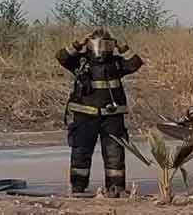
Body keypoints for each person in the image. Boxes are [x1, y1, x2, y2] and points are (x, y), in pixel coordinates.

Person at [57, 28, 143, 198]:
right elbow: (62, 56)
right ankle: (78, 187)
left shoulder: (117, 63)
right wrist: (77, 44)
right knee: (81, 152)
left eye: (106, 44)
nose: (101, 48)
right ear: (89, 45)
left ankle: (115, 188)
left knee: (114, 153)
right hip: (84, 117)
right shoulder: (81, 62)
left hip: (112, 117)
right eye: (97, 43)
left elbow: (135, 63)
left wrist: (123, 47)